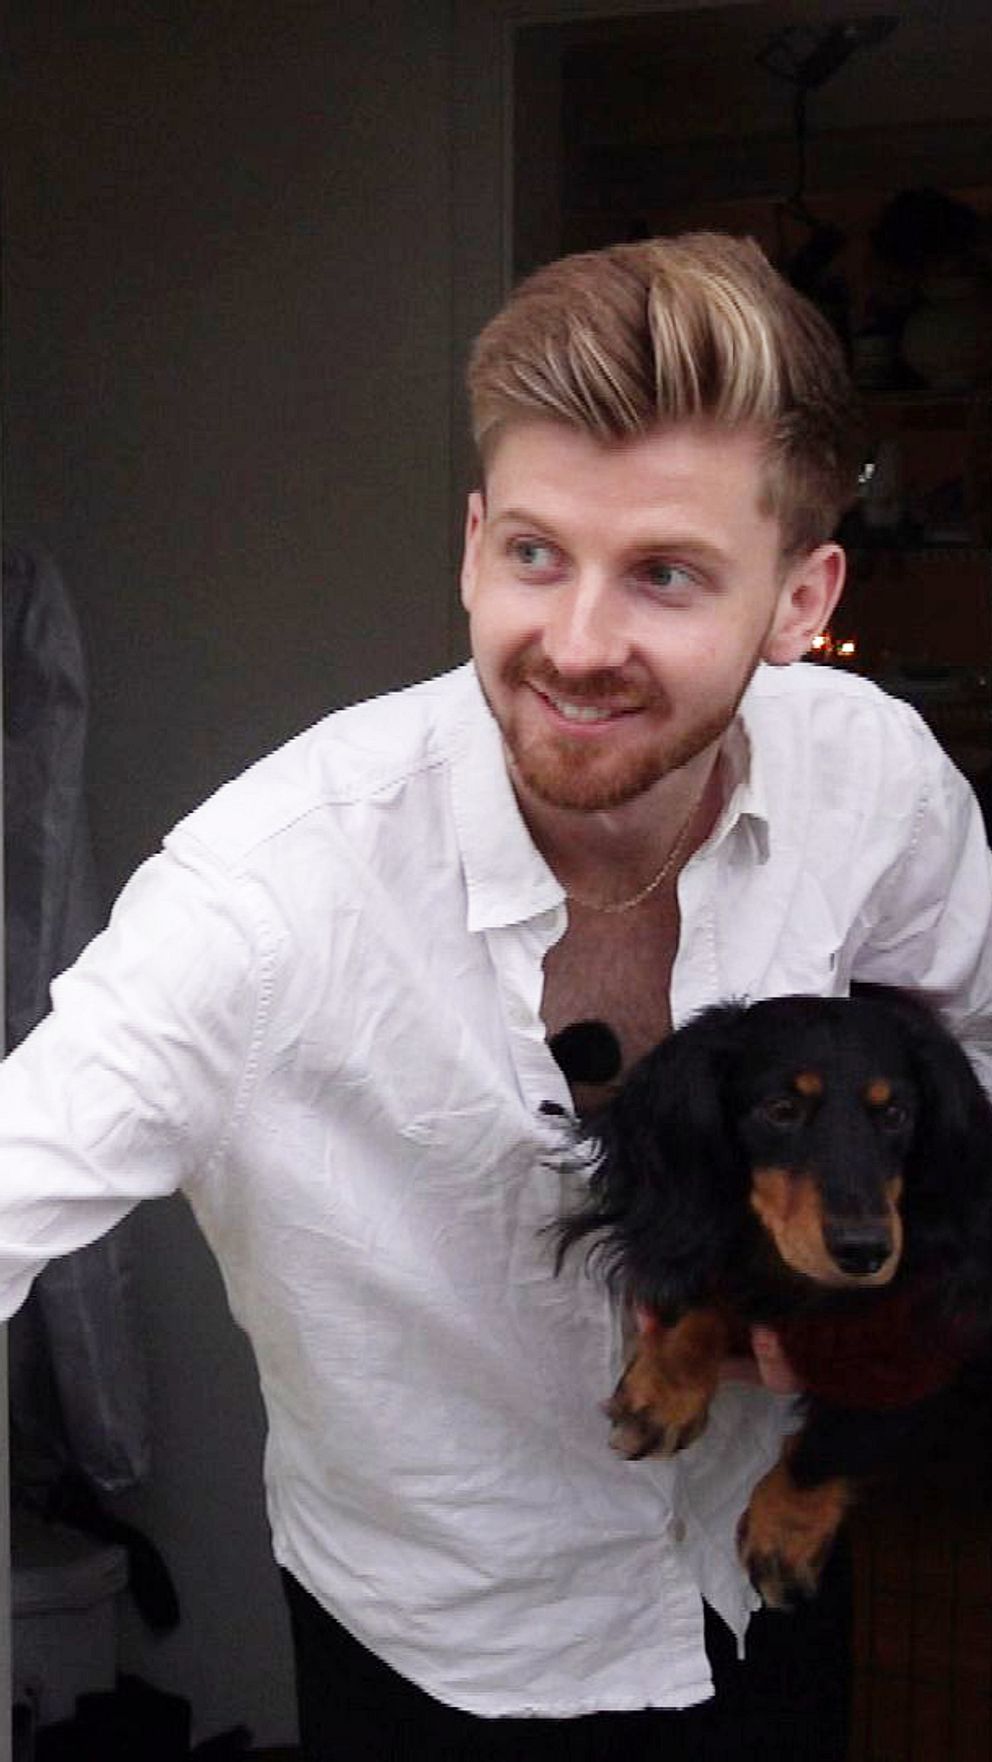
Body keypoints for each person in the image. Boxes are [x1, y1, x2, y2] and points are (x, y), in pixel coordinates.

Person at [2, 232, 991, 1761]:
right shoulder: (262, 890)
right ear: (472, 547)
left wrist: (888, 1312)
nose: (575, 645)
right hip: (444, 1645)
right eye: (534, 553)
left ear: (803, 599)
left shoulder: (880, 782)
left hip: (764, 1577)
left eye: (665, 572)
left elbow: (966, 1067)